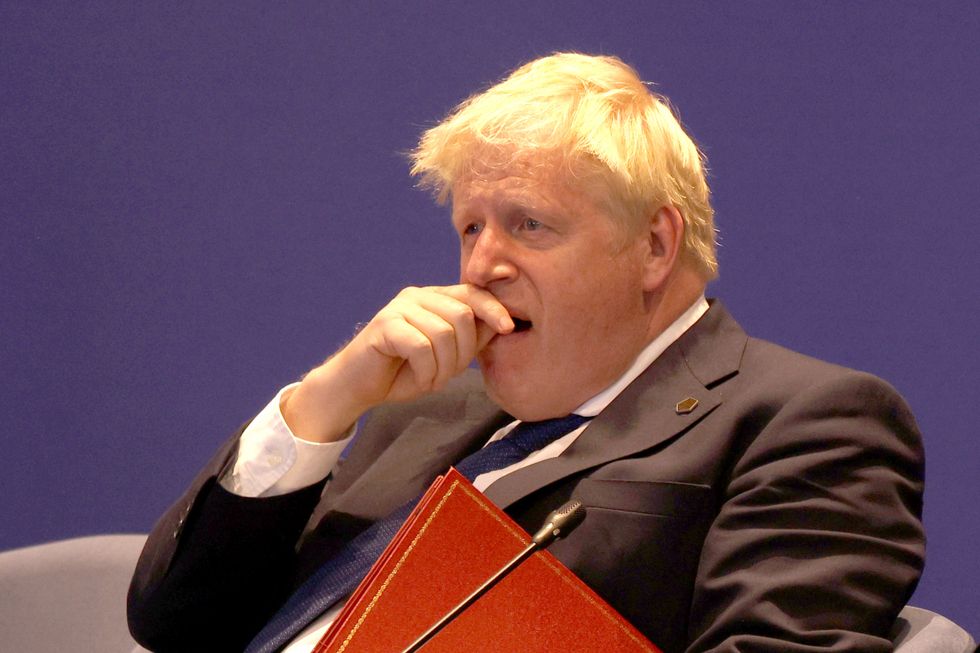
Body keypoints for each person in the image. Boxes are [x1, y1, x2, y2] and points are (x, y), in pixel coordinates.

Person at [128, 53, 925, 653]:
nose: (481, 265)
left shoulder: (806, 421)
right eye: (471, 228)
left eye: (529, 225)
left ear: (653, 244)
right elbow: (175, 622)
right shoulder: (423, 412)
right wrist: (324, 404)